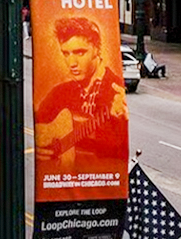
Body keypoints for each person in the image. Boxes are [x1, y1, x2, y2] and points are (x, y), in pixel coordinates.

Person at [34, 17, 129, 174]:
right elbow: (39, 124)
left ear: (97, 49)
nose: (72, 63)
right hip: (64, 185)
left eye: (80, 52)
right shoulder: (60, 92)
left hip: (100, 182)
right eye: (66, 53)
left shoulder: (114, 91)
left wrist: (119, 121)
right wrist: (42, 143)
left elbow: (117, 149)